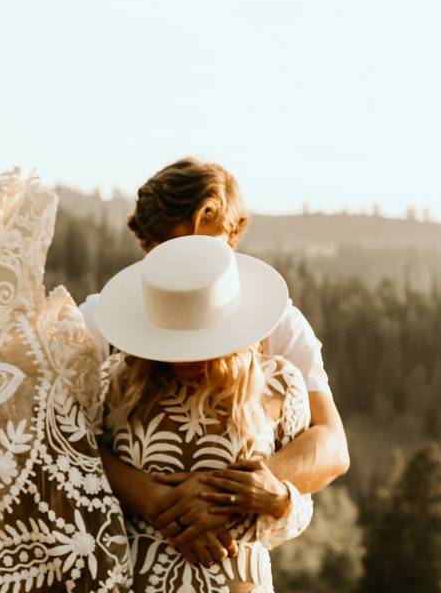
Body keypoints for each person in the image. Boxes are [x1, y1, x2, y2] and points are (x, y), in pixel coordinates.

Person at [79, 157, 350, 566]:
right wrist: (151, 498)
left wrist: (241, 492)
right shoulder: (100, 323)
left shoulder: (277, 323)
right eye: (175, 247)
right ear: (149, 245)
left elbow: (332, 445)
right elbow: (53, 438)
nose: (193, 265)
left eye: (205, 246)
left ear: (233, 235)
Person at [94, 233, 316, 592]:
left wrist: (279, 498)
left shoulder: (279, 384)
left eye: (199, 343)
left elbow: (298, 510)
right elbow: (77, 469)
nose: (185, 358)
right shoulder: (113, 383)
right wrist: (153, 501)